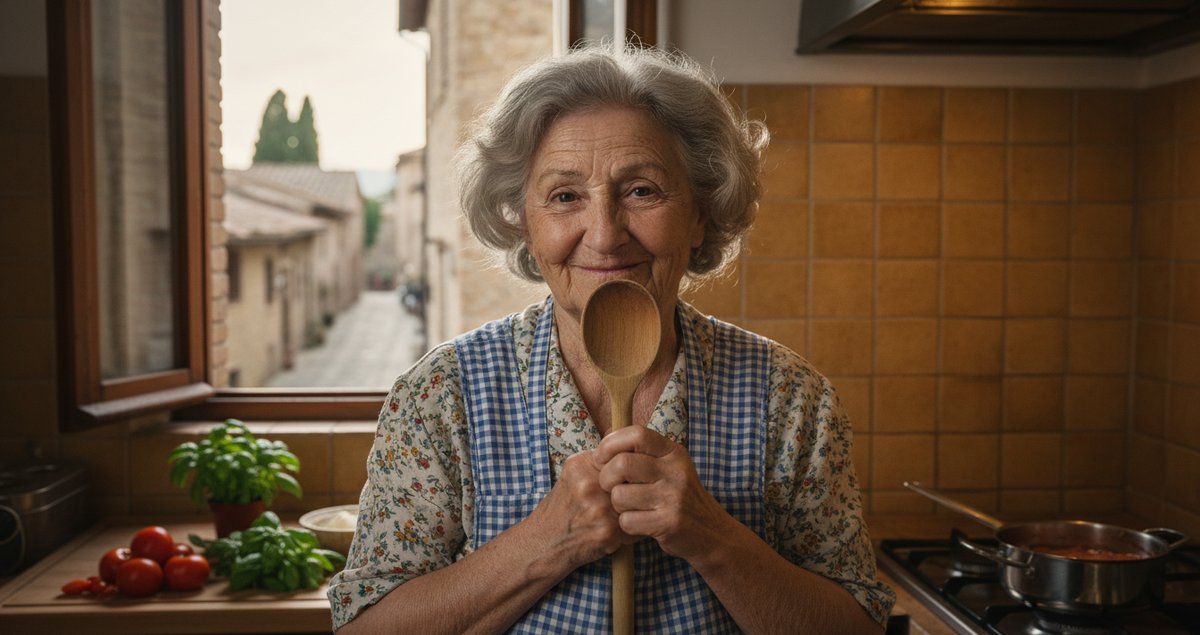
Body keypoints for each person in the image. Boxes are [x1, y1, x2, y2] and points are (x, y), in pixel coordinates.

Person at [327, 45, 895, 634]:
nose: (604, 235)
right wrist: (546, 542)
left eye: (642, 190)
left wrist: (713, 539)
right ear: (523, 219)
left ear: (700, 213)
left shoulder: (791, 400)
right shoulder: (440, 394)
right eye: (565, 196)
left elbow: (859, 627)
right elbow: (365, 626)